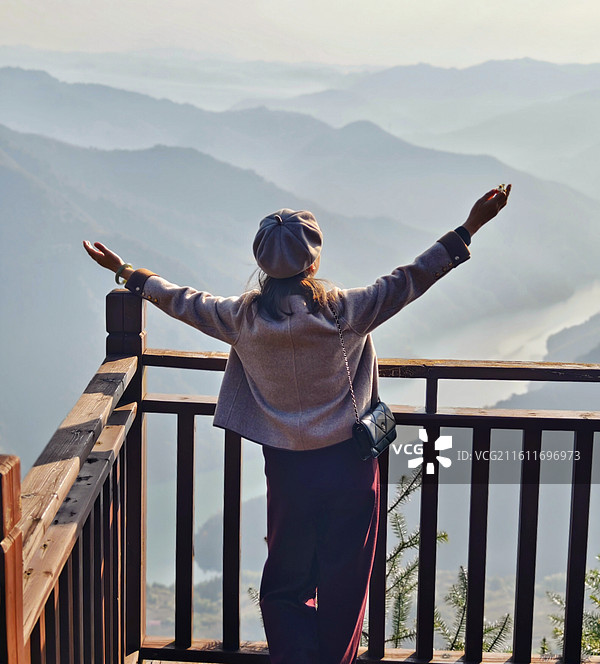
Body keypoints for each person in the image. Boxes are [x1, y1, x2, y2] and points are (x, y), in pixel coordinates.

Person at [83, 184, 511, 664]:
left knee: (286, 582)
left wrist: (125, 272)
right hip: (350, 465)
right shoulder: (348, 311)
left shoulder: (240, 318)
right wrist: (470, 227)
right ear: (314, 261)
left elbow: (181, 299)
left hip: (287, 469)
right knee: (345, 581)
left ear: (262, 265)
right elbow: (411, 278)